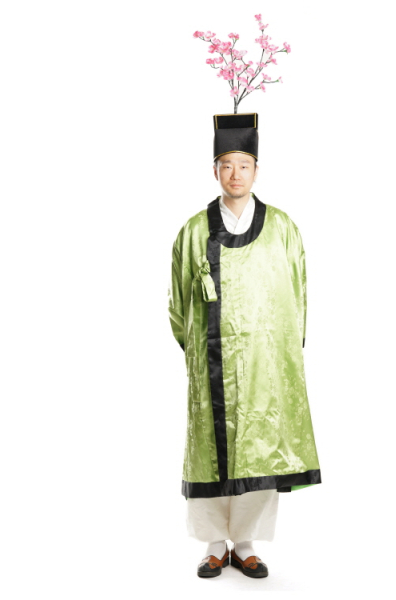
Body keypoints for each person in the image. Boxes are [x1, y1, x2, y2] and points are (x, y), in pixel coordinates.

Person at [168, 112, 321, 579]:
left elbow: (299, 294)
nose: (235, 174)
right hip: (212, 361)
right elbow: (178, 304)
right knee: (209, 448)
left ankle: (247, 544)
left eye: (244, 165)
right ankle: (215, 545)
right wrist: (199, 353)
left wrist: (283, 352)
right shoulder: (194, 231)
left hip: (266, 364)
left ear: (256, 170)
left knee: (261, 446)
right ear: (215, 170)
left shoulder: (283, 228)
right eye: (227, 165)